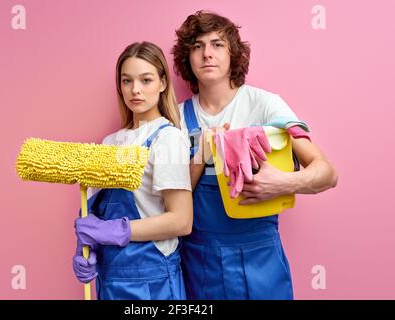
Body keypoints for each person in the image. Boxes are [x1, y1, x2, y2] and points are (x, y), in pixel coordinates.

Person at [171, 11, 338, 300]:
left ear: (234, 54)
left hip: (260, 259)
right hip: (198, 263)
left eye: (217, 44)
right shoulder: (176, 117)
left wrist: (283, 183)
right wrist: (201, 155)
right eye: (197, 46)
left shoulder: (265, 105)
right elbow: (169, 199)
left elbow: (327, 173)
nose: (207, 54)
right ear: (188, 58)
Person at [72, 42, 193, 300]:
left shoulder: (168, 138)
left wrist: (115, 231)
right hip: (111, 276)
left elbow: (181, 221)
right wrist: (88, 249)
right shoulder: (108, 143)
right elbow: (94, 212)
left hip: (152, 280)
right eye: (127, 81)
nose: (135, 90)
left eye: (146, 80)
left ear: (162, 83)